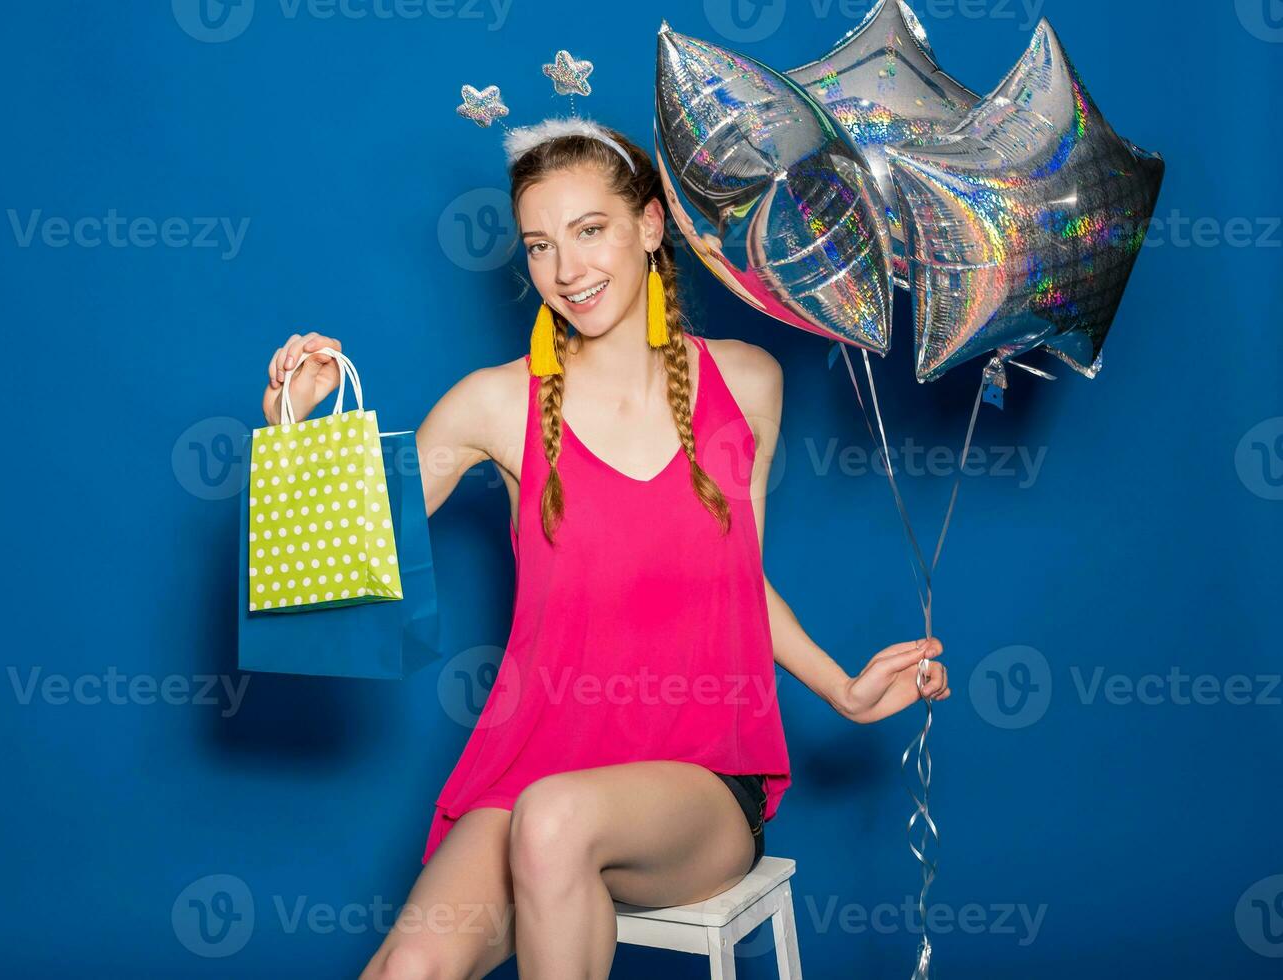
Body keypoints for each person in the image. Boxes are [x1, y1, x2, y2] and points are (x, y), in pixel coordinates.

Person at [260, 122, 950, 980]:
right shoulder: (491, 404)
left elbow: (741, 584)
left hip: (699, 780)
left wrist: (843, 692)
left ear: (651, 227)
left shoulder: (747, 382)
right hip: (535, 765)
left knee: (556, 820)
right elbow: (343, 560)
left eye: (590, 231)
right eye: (541, 245)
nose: (567, 270)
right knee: (406, 968)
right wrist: (295, 428)